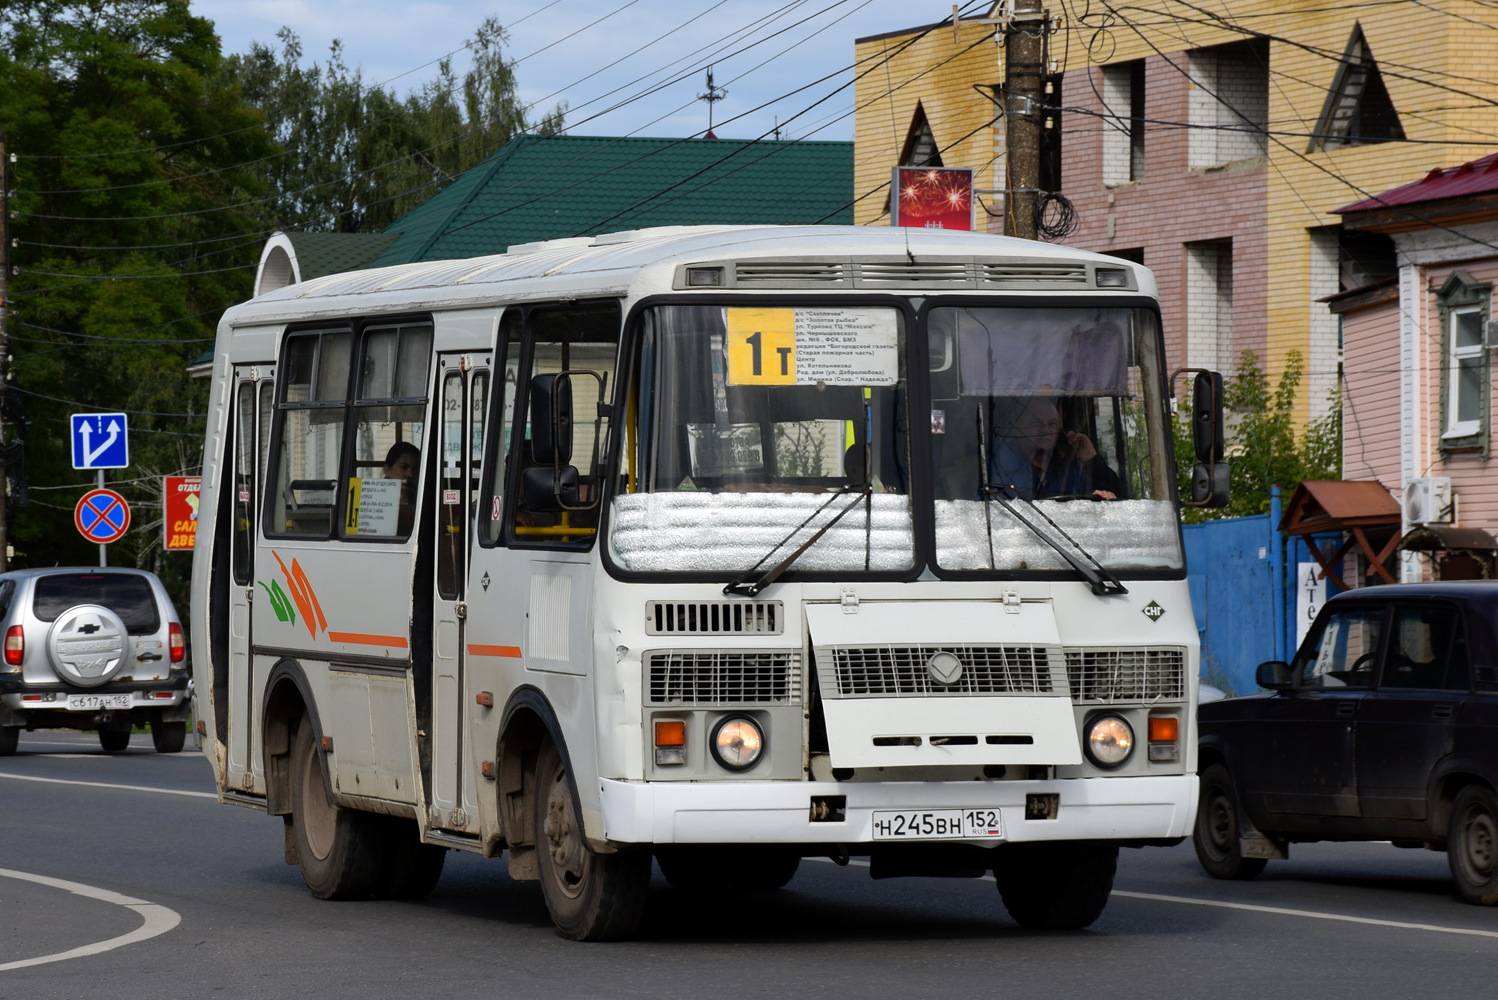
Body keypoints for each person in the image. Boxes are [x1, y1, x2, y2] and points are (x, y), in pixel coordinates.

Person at [988, 396, 1122, 500]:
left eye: (1052, 424)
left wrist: (1091, 458)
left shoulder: (1065, 468)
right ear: (1017, 428)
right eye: (1036, 423)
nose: (1046, 430)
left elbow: (1121, 497)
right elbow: (1022, 501)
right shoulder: (1002, 460)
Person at [383, 442, 420, 534]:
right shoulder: (376, 502)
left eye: (415, 470)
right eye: (403, 467)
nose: (410, 474)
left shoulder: (422, 502)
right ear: (387, 470)